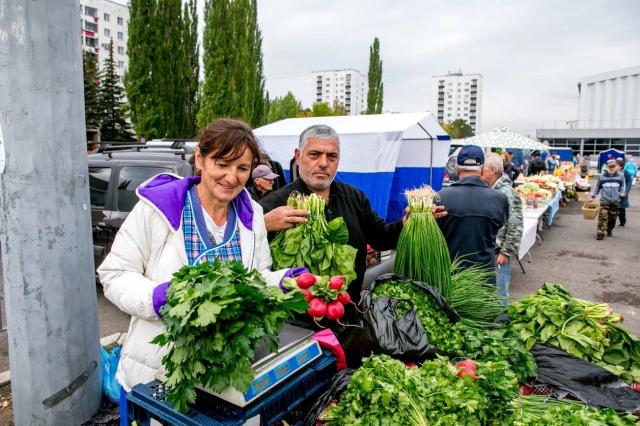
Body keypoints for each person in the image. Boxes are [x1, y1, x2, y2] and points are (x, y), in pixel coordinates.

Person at [97, 118, 305, 420]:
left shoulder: (251, 215)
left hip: (227, 374)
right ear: (200, 159)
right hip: (161, 370)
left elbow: (255, 279)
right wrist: (157, 297)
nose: (232, 177)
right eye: (222, 164)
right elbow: (114, 273)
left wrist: (283, 281)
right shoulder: (158, 209)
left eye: (242, 168)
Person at [259, 124, 446, 302]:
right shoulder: (274, 204)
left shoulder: (354, 197)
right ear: (298, 156)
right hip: (296, 320)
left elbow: (382, 239)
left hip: (347, 309)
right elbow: (248, 261)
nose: (323, 163)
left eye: (331, 156)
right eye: (314, 154)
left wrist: (406, 223)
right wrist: (261, 225)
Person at [436, 145, 509, 279]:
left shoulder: (440, 197)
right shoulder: (500, 199)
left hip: (449, 277)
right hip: (484, 280)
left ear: (456, 168)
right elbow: (499, 226)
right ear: (482, 170)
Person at [481, 153, 523, 304]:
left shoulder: (506, 193)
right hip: (488, 251)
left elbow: (516, 224)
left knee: (498, 294)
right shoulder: (490, 190)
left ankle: (501, 323)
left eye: (483, 167)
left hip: (499, 253)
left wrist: (506, 251)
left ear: (492, 170)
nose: (480, 171)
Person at [591, 158, 626, 240]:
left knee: (612, 218)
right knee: (602, 217)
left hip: (615, 201)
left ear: (615, 167)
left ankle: (609, 230)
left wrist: (621, 194)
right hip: (604, 200)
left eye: (613, 167)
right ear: (607, 167)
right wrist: (593, 196)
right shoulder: (602, 176)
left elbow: (623, 186)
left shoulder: (620, 176)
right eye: (610, 167)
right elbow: (597, 187)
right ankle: (600, 232)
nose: (612, 168)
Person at [616, 158, 633, 227]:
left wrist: (626, 192)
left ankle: (622, 221)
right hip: (615, 192)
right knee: (613, 208)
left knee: (621, 209)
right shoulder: (614, 172)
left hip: (623, 193)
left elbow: (629, 183)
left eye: (616, 165)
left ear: (620, 166)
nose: (615, 167)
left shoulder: (626, 173)